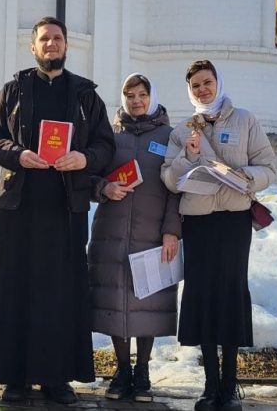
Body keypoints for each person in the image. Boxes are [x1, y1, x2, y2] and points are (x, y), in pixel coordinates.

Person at [0, 16, 115, 404]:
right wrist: (18, 154)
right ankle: (14, 376)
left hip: (66, 208)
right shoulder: (13, 91)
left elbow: (105, 146)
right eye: (44, 39)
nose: (51, 44)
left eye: (57, 39)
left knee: (62, 293)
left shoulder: (86, 95)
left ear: (67, 46)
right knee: (15, 289)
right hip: (20, 207)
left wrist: (83, 158)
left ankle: (57, 377)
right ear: (33, 47)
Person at [161, 60, 276, 411]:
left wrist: (245, 177)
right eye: (195, 85)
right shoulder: (183, 131)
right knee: (202, 298)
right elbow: (169, 178)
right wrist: (189, 155)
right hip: (198, 223)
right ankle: (210, 386)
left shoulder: (244, 120)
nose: (202, 90)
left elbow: (269, 166)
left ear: (218, 83)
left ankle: (230, 387)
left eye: (207, 82)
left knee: (229, 295)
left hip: (233, 223)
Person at [88, 73, 181, 402]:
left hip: (152, 233)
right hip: (111, 232)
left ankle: (142, 371)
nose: (136, 101)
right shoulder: (109, 135)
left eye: (142, 95)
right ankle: (121, 370)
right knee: (115, 304)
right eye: (130, 96)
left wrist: (172, 230)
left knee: (148, 302)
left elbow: (176, 188)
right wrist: (104, 188)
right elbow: (91, 174)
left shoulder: (171, 137)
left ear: (152, 96)